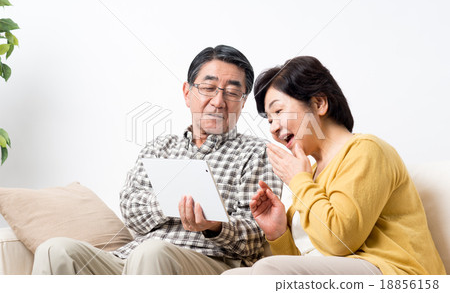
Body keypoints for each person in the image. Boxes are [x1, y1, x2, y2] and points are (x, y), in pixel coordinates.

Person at [32, 45, 283, 275]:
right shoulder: (159, 148)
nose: (218, 102)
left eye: (231, 92)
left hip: (209, 262)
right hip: (131, 258)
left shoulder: (257, 152)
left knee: (152, 252)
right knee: (55, 250)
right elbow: (131, 209)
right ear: (187, 93)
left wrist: (214, 225)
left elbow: (256, 236)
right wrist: (172, 201)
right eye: (208, 88)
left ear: (243, 102)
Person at [223, 56, 446, 275]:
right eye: (269, 119)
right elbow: (307, 263)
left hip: (394, 273)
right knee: (231, 280)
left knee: (267, 270)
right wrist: (279, 233)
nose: (272, 128)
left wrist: (299, 181)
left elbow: (339, 242)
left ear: (319, 103)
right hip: (344, 275)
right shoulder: (309, 173)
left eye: (278, 111)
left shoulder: (366, 149)